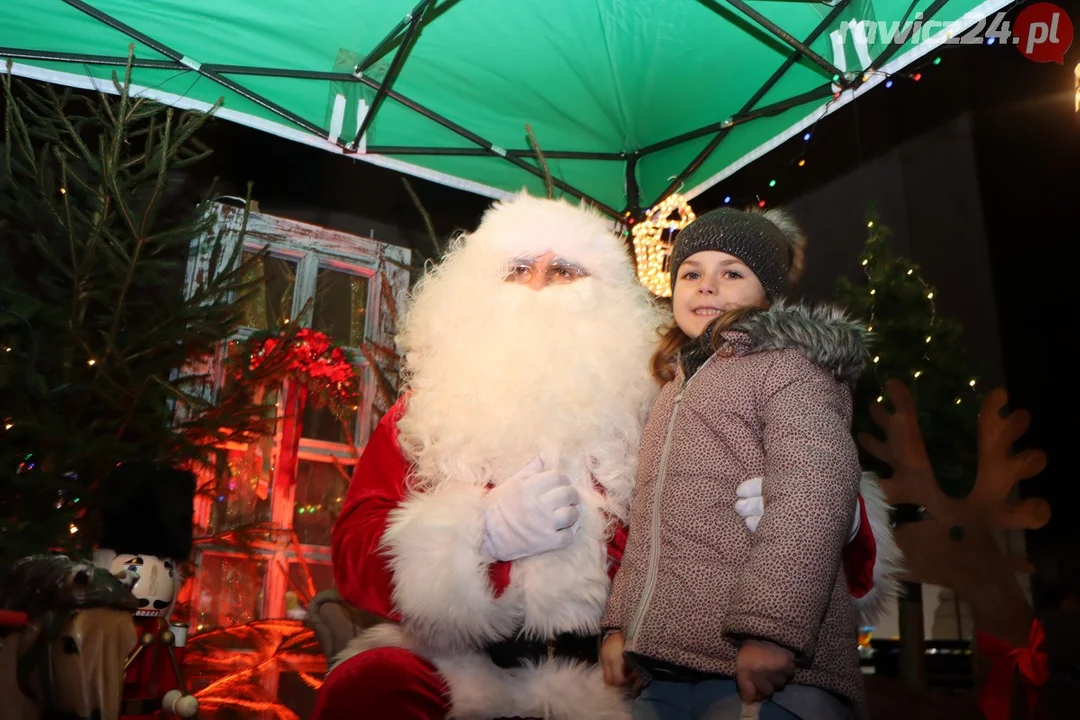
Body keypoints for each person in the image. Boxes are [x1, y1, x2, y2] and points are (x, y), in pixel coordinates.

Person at [310, 194, 897, 720]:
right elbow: (354, 546)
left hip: (614, 673)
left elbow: (797, 499)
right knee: (371, 684)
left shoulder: (659, 405)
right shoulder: (423, 411)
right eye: (517, 268)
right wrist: (477, 535)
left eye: (564, 270)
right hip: (451, 664)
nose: (538, 285)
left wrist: (845, 518)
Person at [600, 207, 881, 720]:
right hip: (665, 666)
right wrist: (620, 625)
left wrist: (771, 629)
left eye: (731, 272)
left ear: (767, 293)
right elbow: (649, 521)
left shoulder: (792, 366)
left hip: (770, 673)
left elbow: (812, 497)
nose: (707, 286)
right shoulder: (672, 388)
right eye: (691, 273)